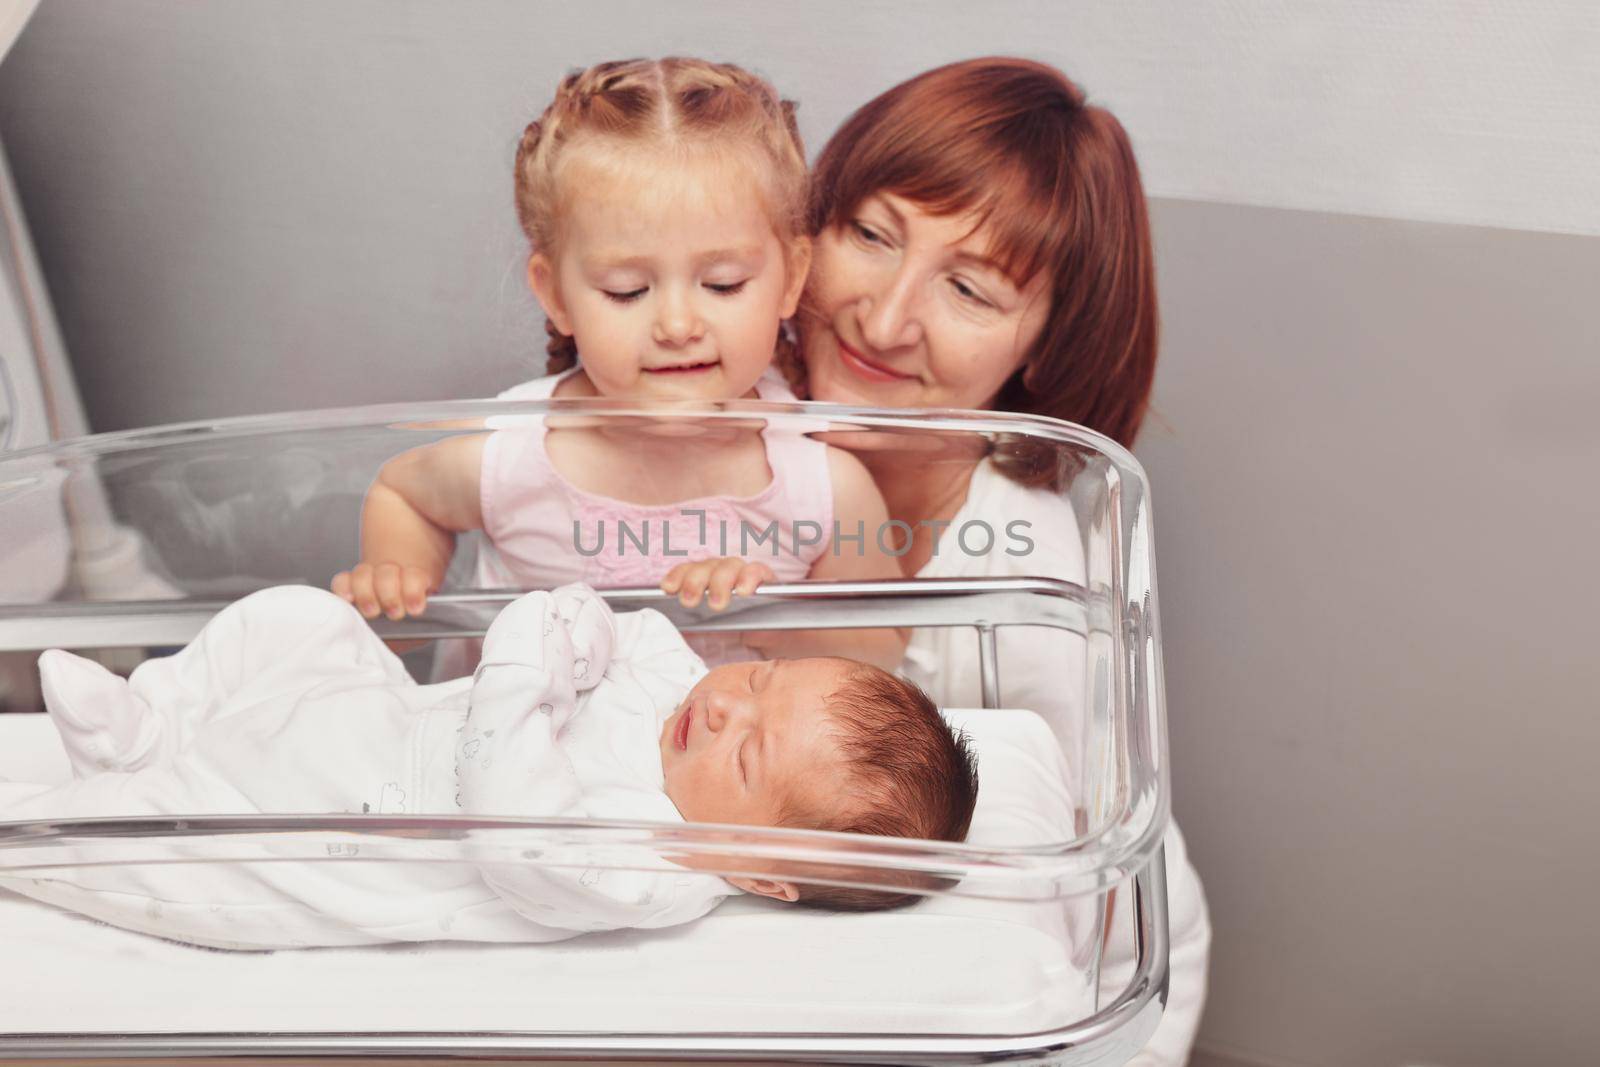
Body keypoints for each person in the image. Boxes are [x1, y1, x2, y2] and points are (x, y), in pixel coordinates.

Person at [787, 58, 1211, 1067]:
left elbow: (1049, 915)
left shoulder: (1032, 588)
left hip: (1075, 976)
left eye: (970, 289)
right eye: (870, 235)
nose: (884, 320)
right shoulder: (693, 432)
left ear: (1044, 340)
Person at [0, 584, 976, 950]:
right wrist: (572, 628)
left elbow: (517, 833)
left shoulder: (656, 867)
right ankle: (153, 724)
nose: (722, 703)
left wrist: (523, 668)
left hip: (301, 832)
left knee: (120, 843)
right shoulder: (684, 687)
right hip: (367, 709)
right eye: (760, 678)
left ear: (759, 867)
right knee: (299, 618)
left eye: (748, 748)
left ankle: (78, 803)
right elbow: (621, 625)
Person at [331, 57, 902, 669]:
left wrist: (775, 617)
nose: (678, 326)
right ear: (555, 295)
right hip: (527, 759)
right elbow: (403, 492)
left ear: (791, 278)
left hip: (718, 762)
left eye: (724, 283)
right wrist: (399, 580)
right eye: (627, 290)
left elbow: (883, 654)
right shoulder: (510, 456)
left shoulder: (824, 486)